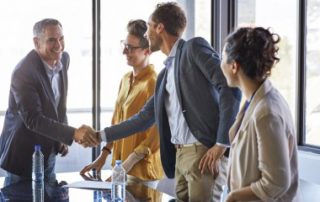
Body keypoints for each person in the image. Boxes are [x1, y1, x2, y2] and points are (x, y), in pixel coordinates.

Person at [98, 2, 241, 201]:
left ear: (160, 27)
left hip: (203, 152)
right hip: (180, 156)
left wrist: (221, 143)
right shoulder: (165, 74)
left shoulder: (193, 48)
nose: (146, 33)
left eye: (148, 26)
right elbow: (143, 119)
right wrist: (100, 136)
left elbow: (230, 85)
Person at [0, 18, 100, 187]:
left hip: (48, 152)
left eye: (61, 38)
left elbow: (59, 105)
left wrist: (61, 136)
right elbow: (33, 119)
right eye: (52, 40)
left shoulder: (63, 59)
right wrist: (72, 133)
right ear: (36, 42)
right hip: (22, 155)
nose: (59, 45)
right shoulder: (23, 71)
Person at [220, 27, 298, 201]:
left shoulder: (266, 112)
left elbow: (276, 182)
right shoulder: (254, 102)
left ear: (234, 66)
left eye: (222, 58)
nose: (220, 64)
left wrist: (234, 196)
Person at [80, 20, 163, 184]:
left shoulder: (154, 83)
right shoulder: (125, 80)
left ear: (147, 51)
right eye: (125, 45)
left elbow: (156, 135)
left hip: (142, 173)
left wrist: (126, 166)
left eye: (131, 48)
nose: (125, 51)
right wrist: (103, 155)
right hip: (119, 169)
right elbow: (117, 122)